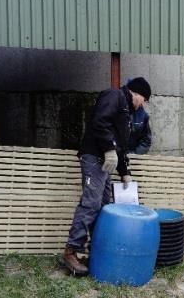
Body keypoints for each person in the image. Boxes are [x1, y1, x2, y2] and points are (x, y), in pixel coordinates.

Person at [62, 77, 152, 276]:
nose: (143, 103)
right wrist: (108, 149)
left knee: (104, 206)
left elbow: (119, 145)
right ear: (136, 93)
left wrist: (124, 172)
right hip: (94, 157)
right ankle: (71, 250)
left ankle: (95, 251)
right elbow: (100, 122)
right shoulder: (115, 96)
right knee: (91, 204)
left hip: (104, 162)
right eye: (144, 98)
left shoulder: (127, 111)